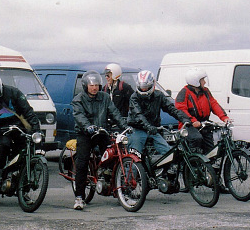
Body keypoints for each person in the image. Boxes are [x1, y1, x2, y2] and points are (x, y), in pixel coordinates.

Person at [71, 70, 127, 210]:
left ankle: (113, 184)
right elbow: (79, 116)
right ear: (85, 86)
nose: (94, 88)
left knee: (112, 155)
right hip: (85, 133)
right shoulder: (78, 99)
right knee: (82, 163)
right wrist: (87, 126)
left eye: (96, 85)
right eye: (91, 85)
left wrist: (125, 127)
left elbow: (114, 113)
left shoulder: (105, 97)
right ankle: (79, 197)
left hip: (101, 132)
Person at [0, 72, 41, 186]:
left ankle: (21, 178)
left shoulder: (14, 93)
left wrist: (36, 130)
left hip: (18, 126)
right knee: (4, 144)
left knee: (26, 147)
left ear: (1, 87)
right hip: (1, 129)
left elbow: (28, 111)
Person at [127, 70, 190, 159]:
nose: (144, 89)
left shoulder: (159, 95)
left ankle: (166, 172)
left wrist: (184, 119)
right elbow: (138, 114)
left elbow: (171, 108)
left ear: (152, 84)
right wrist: (148, 126)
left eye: (146, 86)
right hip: (138, 129)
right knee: (135, 157)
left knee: (168, 153)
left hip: (154, 130)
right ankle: (132, 172)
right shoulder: (134, 98)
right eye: (142, 87)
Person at [175, 67, 230, 154]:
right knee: (196, 139)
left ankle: (208, 166)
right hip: (189, 125)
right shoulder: (184, 92)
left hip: (203, 124)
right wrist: (193, 121)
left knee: (210, 149)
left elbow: (213, 104)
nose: (204, 82)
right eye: (202, 80)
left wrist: (224, 117)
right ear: (195, 81)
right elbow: (181, 110)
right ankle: (192, 163)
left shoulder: (205, 91)